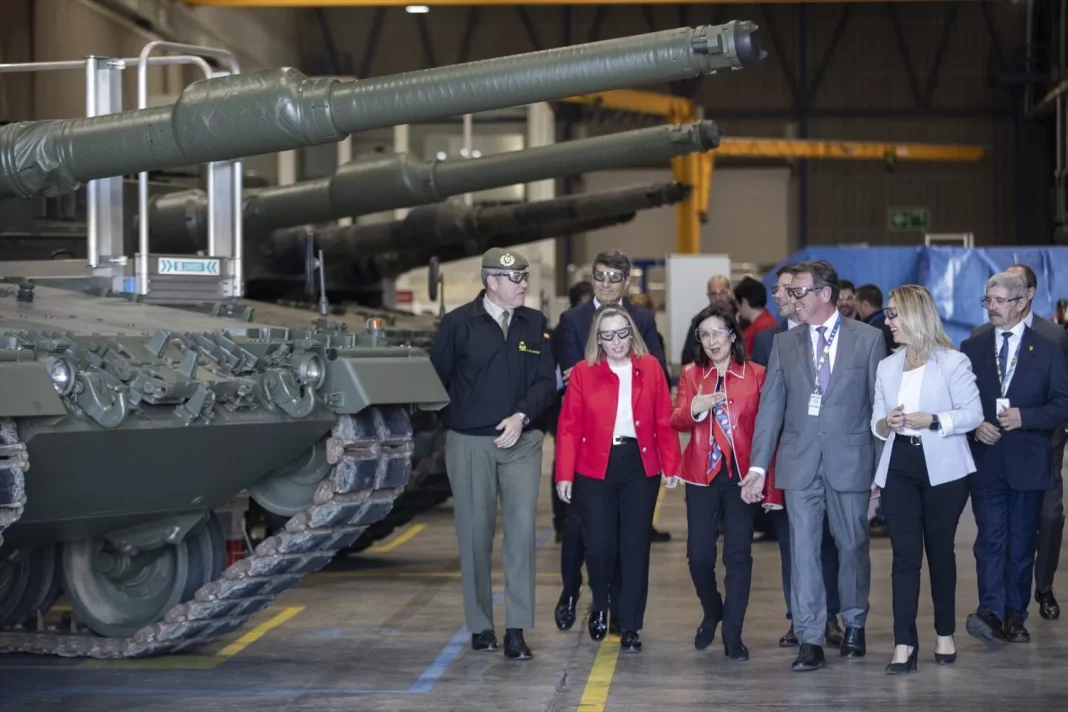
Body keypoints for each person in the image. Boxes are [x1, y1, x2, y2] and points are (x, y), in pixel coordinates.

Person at [743, 259, 888, 672]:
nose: (791, 299)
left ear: (825, 294)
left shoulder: (869, 340)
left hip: (851, 460)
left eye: (799, 292)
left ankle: (855, 621)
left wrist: (879, 470)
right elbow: (770, 408)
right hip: (799, 461)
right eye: (788, 293)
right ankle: (810, 637)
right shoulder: (784, 344)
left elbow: (878, 408)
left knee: (852, 545)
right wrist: (757, 467)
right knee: (803, 551)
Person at [429, 247, 557, 660]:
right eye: (514, 279)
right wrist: (464, 422)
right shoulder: (457, 324)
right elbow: (437, 381)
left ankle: (516, 629)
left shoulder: (534, 323)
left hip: (521, 441)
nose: (523, 285)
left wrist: (520, 416)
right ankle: (481, 626)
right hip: (470, 443)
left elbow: (545, 382)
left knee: (521, 535)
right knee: (474, 534)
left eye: (524, 278)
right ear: (491, 282)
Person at [552, 251, 670, 635]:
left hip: (635, 458)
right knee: (588, 537)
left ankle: (624, 617)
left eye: (614, 276)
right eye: (599, 275)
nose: (606, 282)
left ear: (626, 281)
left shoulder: (644, 323)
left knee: (631, 543)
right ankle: (577, 592)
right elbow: (571, 393)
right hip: (591, 453)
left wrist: (670, 463)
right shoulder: (573, 321)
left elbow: (657, 398)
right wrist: (564, 471)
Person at [870, 285, 983, 674]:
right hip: (899, 463)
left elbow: (972, 414)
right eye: (887, 314)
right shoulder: (887, 366)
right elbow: (877, 421)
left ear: (916, 315)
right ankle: (904, 642)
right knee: (904, 556)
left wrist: (932, 419)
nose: (889, 322)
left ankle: (945, 632)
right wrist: (888, 422)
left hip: (944, 468)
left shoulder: (952, 362)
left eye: (893, 314)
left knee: (939, 550)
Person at [961, 271, 1068, 645]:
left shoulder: (1050, 346)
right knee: (990, 539)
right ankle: (990, 610)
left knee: (1022, 542)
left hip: (1029, 458)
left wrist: (1027, 417)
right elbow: (961, 402)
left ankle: (1015, 615)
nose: (991, 307)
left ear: (1022, 302)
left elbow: (1062, 404)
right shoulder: (972, 346)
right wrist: (975, 426)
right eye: (987, 300)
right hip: (988, 458)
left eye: (999, 301)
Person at [670, 303, 782, 661]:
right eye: (705, 335)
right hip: (701, 476)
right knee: (699, 557)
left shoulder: (757, 374)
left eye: (718, 332)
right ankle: (712, 610)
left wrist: (769, 483)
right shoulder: (690, 375)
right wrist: (696, 408)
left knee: (738, 555)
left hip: (741, 476)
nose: (712, 340)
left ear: (733, 336)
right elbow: (678, 420)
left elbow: (769, 431)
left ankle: (733, 632)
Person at [751, 264, 844, 648]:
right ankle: (800, 618)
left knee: (830, 542)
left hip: (834, 455)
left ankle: (833, 616)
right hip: (787, 456)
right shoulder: (767, 341)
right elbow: (766, 403)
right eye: (778, 290)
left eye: (790, 289)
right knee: (794, 542)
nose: (783, 296)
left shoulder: (838, 334)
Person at [549, 281, 595, 543]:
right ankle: (563, 521)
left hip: (590, 410)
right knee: (565, 464)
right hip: (566, 410)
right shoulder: (562, 331)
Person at [681, 274, 736, 366]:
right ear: (708, 296)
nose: (718, 298)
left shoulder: (741, 319)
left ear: (730, 293)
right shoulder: (699, 321)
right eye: (714, 294)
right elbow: (688, 357)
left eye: (722, 293)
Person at [734, 276, 779, 357]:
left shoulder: (763, 327)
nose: (737, 308)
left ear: (744, 302)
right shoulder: (767, 322)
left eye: (737, 303)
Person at [855, 284, 896, 355]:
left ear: (864, 305)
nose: (855, 309)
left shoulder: (870, 330)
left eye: (856, 305)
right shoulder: (888, 321)